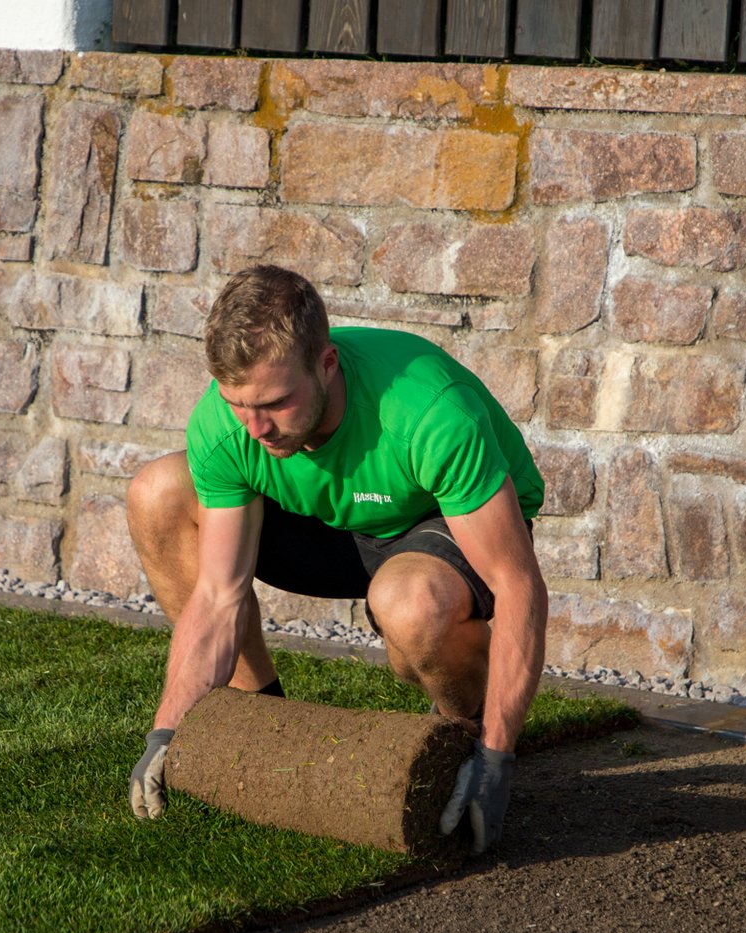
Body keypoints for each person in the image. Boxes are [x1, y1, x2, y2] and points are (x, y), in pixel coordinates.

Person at [123, 265, 548, 854]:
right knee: (159, 492)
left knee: (410, 609)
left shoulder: (427, 412)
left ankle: (461, 735)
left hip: (434, 525)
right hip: (334, 527)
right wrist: (168, 727)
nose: (255, 427)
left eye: (274, 402)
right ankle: (259, 720)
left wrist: (498, 759)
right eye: (238, 404)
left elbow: (519, 583)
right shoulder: (234, 424)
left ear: (327, 363)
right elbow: (219, 594)